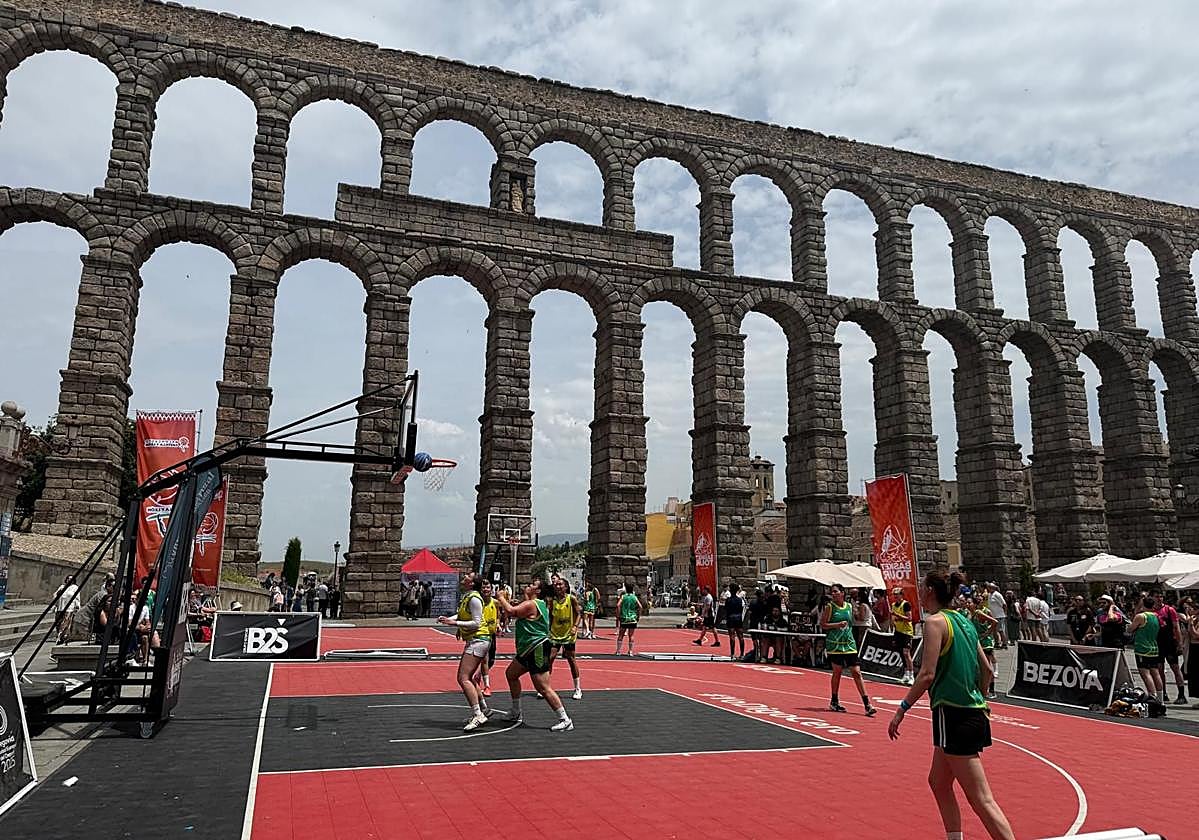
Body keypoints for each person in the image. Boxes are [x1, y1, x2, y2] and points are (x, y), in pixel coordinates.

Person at [888, 570, 1015, 840]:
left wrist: (902, 709)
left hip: (953, 713)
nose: (919, 592)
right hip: (970, 712)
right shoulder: (965, 622)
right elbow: (987, 671)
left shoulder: (935, 623)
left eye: (922, 587)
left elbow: (927, 674)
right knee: (939, 782)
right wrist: (979, 697)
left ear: (931, 591)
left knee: (982, 799)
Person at [494, 578, 573, 731]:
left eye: (532, 585)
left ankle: (565, 719)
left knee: (543, 687)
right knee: (511, 674)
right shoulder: (538, 604)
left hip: (536, 648)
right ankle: (516, 711)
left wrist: (501, 597)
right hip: (527, 650)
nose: (528, 585)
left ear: (538, 591)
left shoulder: (532, 604)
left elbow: (511, 611)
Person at [436, 572, 494, 731]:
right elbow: (463, 615)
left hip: (479, 639)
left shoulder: (475, 598)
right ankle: (483, 709)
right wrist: (450, 619)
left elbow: (476, 623)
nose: (466, 576)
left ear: (472, 583)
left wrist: (454, 623)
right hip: (476, 640)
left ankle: (478, 714)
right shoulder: (468, 597)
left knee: (463, 678)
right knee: (468, 678)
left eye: (469, 575)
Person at [822, 584, 877, 717]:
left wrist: (861, 608)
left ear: (842, 593)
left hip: (849, 644)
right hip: (835, 644)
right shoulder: (830, 607)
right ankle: (834, 700)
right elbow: (823, 624)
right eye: (832, 592)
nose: (833, 594)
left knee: (856, 672)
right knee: (837, 672)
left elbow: (856, 620)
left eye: (836, 592)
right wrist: (837, 625)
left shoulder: (849, 606)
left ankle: (867, 704)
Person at [548, 576, 583, 699]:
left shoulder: (571, 599)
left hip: (568, 634)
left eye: (560, 584)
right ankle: (545, 687)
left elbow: (579, 614)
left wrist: (575, 626)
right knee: (550, 658)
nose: (558, 586)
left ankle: (577, 688)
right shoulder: (552, 601)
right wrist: (548, 629)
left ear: (566, 587)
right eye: (556, 584)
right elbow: (550, 616)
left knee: (571, 659)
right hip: (555, 634)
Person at [1129, 596, 1164, 704]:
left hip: (1142, 648)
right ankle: (1160, 698)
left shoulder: (1141, 616)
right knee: (1156, 673)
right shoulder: (1156, 616)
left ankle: (1152, 697)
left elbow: (1130, 629)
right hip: (1154, 647)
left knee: (1145, 673)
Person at [1155, 593, 1187, 705]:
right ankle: (1163, 694)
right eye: (1156, 597)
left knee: (1176, 669)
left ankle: (1181, 694)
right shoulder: (1151, 611)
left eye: (1160, 597)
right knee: (1159, 670)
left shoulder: (1169, 610)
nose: (1159, 599)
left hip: (1170, 643)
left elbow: (1176, 627)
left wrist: (1179, 643)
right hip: (1157, 644)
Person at [473, 579, 500, 697]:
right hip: (482, 635)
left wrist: (498, 624)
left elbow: (498, 615)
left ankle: (478, 676)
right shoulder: (478, 603)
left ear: (491, 589)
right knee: (484, 660)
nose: (485, 590)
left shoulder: (495, 602)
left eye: (488, 587)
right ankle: (487, 686)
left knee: (491, 661)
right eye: (483, 588)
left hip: (492, 634)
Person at [969, 596, 999, 699]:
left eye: (969, 603)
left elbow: (994, 622)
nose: (967, 605)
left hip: (986, 643)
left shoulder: (980, 613)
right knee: (980, 667)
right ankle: (981, 688)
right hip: (978, 643)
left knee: (987, 667)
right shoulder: (970, 614)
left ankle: (991, 690)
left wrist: (987, 633)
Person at [891, 586, 916, 685]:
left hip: (906, 631)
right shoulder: (893, 605)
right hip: (898, 631)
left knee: (906, 653)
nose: (895, 596)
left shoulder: (906, 604)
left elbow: (909, 618)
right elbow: (893, 618)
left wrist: (897, 616)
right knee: (901, 653)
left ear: (901, 595)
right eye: (894, 595)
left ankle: (911, 675)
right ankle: (906, 674)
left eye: (897, 594)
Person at [615, 582, 642, 656]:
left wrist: (619, 614)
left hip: (624, 618)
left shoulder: (623, 596)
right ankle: (630, 651)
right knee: (631, 635)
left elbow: (618, 605)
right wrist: (638, 615)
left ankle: (618, 651)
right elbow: (640, 606)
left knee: (621, 634)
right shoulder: (634, 597)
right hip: (632, 618)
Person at [52, 574, 80, 644]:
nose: (69, 580)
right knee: (58, 623)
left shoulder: (75, 587)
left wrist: (77, 606)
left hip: (69, 608)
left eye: (71, 579)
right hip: (60, 607)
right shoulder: (62, 586)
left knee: (65, 622)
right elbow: (55, 595)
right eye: (68, 578)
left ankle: (62, 637)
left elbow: (77, 598)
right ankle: (60, 635)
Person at [724, 583, 746, 660]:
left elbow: (726, 610)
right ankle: (742, 654)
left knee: (732, 637)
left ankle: (732, 654)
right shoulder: (740, 600)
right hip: (738, 618)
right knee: (741, 637)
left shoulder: (728, 600)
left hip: (731, 618)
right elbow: (741, 609)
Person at [986, 583, 1008, 649]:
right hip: (993, 615)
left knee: (1000, 630)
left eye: (989, 587)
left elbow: (1004, 604)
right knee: (994, 631)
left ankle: (1004, 643)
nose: (988, 589)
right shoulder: (989, 594)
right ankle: (997, 643)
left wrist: (1005, 613)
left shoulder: (997, 594)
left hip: (999, 615)